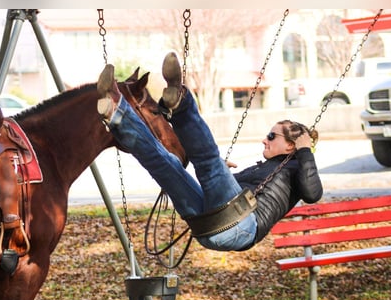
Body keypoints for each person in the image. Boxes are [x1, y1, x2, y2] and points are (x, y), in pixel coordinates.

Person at [96, 52, 323, 252]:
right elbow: (221, 195)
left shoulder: (296, 167)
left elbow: (313, 194)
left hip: (243, 227)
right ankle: (117, 113)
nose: (265, 139)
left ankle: (180, 101)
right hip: (208, 226)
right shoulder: (263, 169)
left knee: (207, 161)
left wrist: (305, 151)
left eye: (272, 136)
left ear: (291, 145)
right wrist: (225, 175)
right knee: (165, 165)